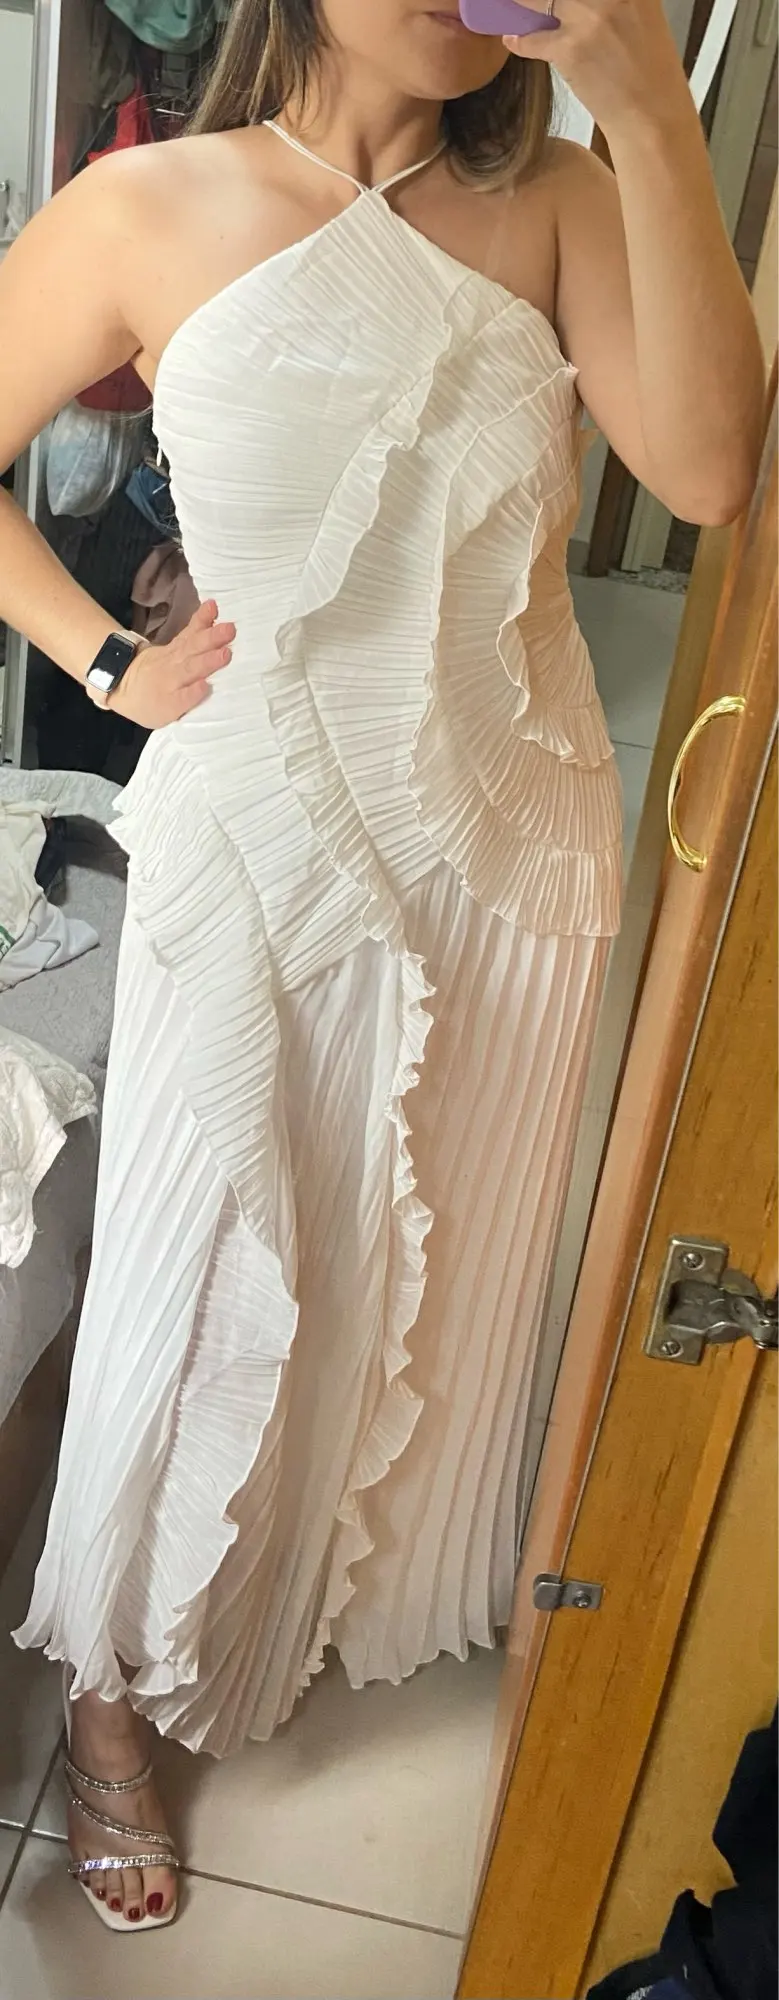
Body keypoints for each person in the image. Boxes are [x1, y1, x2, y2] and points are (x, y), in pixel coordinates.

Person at [0, 0, 763, 1939]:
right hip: (252, 832)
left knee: (422, 1255)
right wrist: (106, 661)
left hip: (507, 840)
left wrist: (640, 106)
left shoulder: (567, 196)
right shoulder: (147, 206)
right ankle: (108, 1691)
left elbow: (699, 470)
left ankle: (308, 1586)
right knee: (190, 1260)